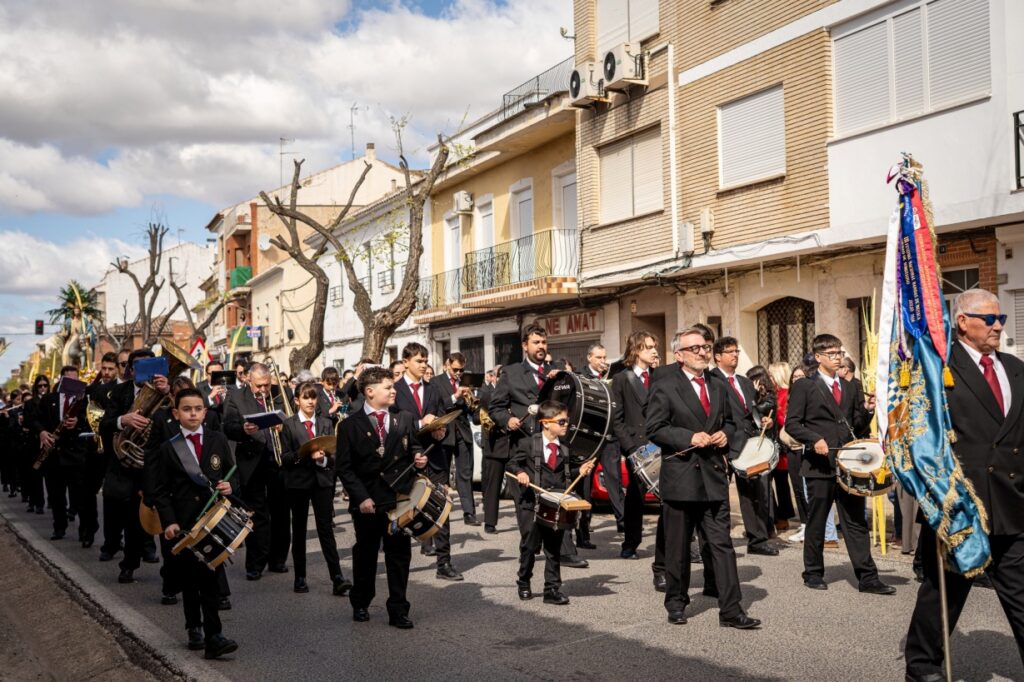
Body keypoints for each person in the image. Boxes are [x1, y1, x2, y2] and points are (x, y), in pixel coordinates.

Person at [904, 289, 1024, 681]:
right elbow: (922, 436)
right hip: (960, 506)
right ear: (963, 321)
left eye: (1001, 318)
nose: (998, 326)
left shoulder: (1014, 367)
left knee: (1020, 594)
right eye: (989, 319)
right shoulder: (938, 367)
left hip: (1011, 502)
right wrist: (938, 494)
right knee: (944, 595)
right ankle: (922, 665)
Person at [646, 327, 759, 629]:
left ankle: (732, 610)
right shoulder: (666, 385)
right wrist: (687, 436)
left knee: (721, 545)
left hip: (713, 477)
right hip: (682, 477)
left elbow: (736, 423)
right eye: (693, 348)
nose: (701, 352)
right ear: (679, 355)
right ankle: (676, 602)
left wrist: (727, 435)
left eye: (705, 347)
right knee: (678, 547)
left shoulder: (718, 385)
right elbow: (654, 428)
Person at [784, 334, 893, 594]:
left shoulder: (852, 385)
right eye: (831, 354)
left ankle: (868, 578)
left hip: (848, 463)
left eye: (839, 353)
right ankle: (813, 572)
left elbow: (856, 426)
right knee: (817, 520)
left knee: (855, 521)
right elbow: (792, 424)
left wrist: (867, 410)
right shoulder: (806, 386)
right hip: (819, 465)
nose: (837, 358)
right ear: (818, 357)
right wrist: (813, 440)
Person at [150, 388, 238, 659]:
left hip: (212, 520)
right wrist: (169, 522)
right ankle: (194, 627)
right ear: (176, 414)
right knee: (190, 580)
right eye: (186, 409)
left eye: (198, 409)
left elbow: (231, 472)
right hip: (185, 523)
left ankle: (214, 636)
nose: (193, 414)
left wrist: (229, 486)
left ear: (205, 411)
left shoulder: (217, 439)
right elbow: (161, 491)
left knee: (211, 577)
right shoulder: (169, 448)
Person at [335, 366, 426, 628]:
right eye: (388, 387)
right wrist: (361, 498)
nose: (393, 390)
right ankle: (361, 601)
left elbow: (415, 449)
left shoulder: (404, 418)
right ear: (369, 391)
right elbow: (345, 467)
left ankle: (398, 609)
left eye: (393, 386)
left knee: (399, 555)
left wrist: (420, 460)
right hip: (368, 502)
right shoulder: (350, 425)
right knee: (366, 553)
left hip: (398, 498)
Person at [489, 325, 586, 568]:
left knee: (559, 499)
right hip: (523, 449)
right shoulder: (510, 373)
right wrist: (506, 420)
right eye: (536, 342)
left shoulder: (556, 372)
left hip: (553, 448)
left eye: (543, 342)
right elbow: (496, 408)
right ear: (525, 345)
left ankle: (565, 550)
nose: (541, 346)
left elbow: (570, 405)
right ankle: (528, 558)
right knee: (527, 509)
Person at [509, 400, 595, 604]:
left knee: (553, 548)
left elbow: (566, 475)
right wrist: (520, 472)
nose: (566, 425)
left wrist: (579, 472)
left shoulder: (565, 448)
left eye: (567, 421)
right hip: (531, 502)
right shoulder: (529, 443)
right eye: (562, 421)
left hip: (554, 503)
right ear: (546, 423)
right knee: (529, 546)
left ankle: (552, 589)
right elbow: (512, 463)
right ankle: (523, 581)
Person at [391, 343, 462, 580]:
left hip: (435, 454)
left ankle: (444, 562)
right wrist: (421, 424)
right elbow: (393, 425)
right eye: (419, 361)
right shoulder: (395, 390)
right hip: (408, 457)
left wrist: (441, 429)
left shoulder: (433, 389)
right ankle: (400, 566)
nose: (423, 365)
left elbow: (442, 416)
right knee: (405, 509)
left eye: (425, 361)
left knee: (441, 507)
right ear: (405, 362)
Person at [279, 381, 352, 596]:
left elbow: (335, 454)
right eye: (306, 397)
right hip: (298, 483)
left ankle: (337, 577)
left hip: (322, 482)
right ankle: (300, 577)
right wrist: (305, 455)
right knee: (299, 531)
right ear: (297, 401)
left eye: (313, 397)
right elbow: (284, 458)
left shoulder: (325, 423)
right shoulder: (289, 425)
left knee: (326, 529)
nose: (311, 401)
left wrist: (322, 460)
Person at [100, 349, 167, 581]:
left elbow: (183, 416)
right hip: (129, 465)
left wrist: (168, 393)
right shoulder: (119, 392)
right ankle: (129, 563)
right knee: (131, 518)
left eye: (149, 364)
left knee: (166, 516)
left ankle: (170, 576)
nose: (143, 369)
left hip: (156, 463)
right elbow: (104, 424)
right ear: (130, 369)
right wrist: (123, 420)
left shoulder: (167, 391)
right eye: (138, 365)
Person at [710, 337, 778, 557]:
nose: (735, 355)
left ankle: (757, 539)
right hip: (724, 445)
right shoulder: (711, 380)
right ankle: (717, 541)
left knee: (753, 493)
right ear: (718, 356)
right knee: (718, 496)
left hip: (749, 446)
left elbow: (754, 411)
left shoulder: (745, 382)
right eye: (730, 352)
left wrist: (766, 422)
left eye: (736, 351)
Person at [223, 363, 290, 580]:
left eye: (267, 385)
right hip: (253, 461)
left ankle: (278, 560)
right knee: (257, 515)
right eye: (259, 385)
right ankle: (255, 563)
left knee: (280, 513)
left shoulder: (281, 393)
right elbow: (228, 427)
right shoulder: (236, 397)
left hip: (278, 461)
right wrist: (243, 429)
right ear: (249, 381)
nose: (263, 389)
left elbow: (293, 419)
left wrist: (285, 426)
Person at [612, 331, 665, 590]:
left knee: (669, 497)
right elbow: (617, 419)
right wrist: (631, 449)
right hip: (637, 447)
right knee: (635, 496)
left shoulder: (660, 376)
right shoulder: (622, 379)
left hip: (661, 443)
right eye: (649, 347)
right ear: (636, 350)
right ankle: (630, 543)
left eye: (655, 347)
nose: (655, 351)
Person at [33, 366, 95, 545]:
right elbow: (35, 419)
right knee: (56, 495)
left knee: (80, 497)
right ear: (61, 381)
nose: (73, 385)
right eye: (69, 381)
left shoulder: (84, 401)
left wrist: (79, 421)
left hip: (76, 455)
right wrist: (42, 432)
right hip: (54, 456)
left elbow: (93, 421)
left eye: (76, 381)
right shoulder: (48, 399)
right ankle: (59, 527)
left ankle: (85, 531)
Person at [580, 342, 619, 543]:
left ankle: (624, 526)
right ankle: (583, 533)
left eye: (604, 357)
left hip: (610, 437)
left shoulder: (611, 375)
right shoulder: (581, 376)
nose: (602, 361)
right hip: (589, 437)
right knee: (585, 486)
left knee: (615, 481)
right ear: (589, 358)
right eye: (598, 358)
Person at [438, 353, 480, 526]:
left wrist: (473, 402)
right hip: (444, 432)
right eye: (455, 369)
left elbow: (471, 412)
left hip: (463, 432)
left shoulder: (465, 381)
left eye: (461, 370)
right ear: (447, 364)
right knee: (442, 476)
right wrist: (456, 396)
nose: (458, 373)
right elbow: (439, 404)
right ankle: (440, 512)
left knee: (465, 474)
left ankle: (469, 513)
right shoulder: (436, 382)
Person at [752, 364, 794, 530]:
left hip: (781, 443)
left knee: (782, 482)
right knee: (776, 481)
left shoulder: (783, 394)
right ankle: (779, 516)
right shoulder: (772, 394)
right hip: (774, 442)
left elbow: (783, 418)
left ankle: (783, 516)